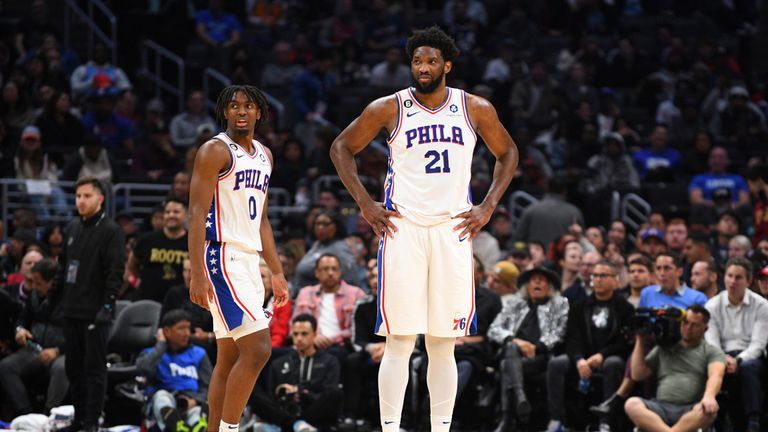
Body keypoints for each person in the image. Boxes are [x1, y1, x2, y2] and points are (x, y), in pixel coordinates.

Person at [330, 26, 518, 431]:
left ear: (447, 65)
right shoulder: (389, 107)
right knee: (399, 341)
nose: (423, 67)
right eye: (417, 61)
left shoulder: (474, 108)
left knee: (442, 344)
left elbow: (508, 153)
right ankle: (391, 427)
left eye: (432, 60)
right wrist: (365, 203)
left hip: (453, 231)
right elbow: (341, 147)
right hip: (404, 230)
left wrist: (488, 206)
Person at [188, 85, 288, 432]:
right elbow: (196, 212)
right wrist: (198, 273)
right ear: (225, 112)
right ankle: (231, 429)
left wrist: (276, 271)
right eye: (234, 106)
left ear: (260, 112)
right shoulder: (214, 151)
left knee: (230, 356)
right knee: (259, 349)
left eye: (248, 106)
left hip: (247, 261)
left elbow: (260, 219)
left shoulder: (265, 155)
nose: (241, 111)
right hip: (220, 255)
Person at [56, 177, 125, 432]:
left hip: (96, 313)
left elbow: (115, 273)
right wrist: (54, 304)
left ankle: (92, 421)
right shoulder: (72, 228)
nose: (81, 201)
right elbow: (62, 269)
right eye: (77, 196)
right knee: (73, 368)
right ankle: (79, 418)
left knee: (94, 370)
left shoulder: (111, 231)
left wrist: (107, 308)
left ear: (100, 199)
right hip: (71, 310)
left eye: (86, 196)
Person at [546, 261, 633, 432]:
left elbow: (624, 342)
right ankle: (557, 420)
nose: (598, 280)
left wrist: (602, 355)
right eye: (595, 276)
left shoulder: (625, 308)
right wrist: (579, 360)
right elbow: (572, 338)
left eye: (603, 276)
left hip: (609, 357)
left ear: (615, 280)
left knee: (613, 363)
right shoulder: (579, 306)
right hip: (582, 358)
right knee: (556, 364)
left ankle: (606, 422)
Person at [487, 267, 569, 430]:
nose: (537, 282)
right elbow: (493, 329)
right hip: (514, 352)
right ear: (527, 286)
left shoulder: (560, 303)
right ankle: (520, 396)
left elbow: (560, 331)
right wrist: (515, 340)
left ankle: (506, 418)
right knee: (510, 350)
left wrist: (537, 348)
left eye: (542, 280)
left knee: (506, 366)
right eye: (533, 279)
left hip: (539, 356)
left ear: (550, 286)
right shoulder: (515, 303)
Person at [624, 305, 726, 432]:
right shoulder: (665, 347)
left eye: (695, 325)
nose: (688, 328)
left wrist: (709, 396)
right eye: (686, 323)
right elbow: (638, 375)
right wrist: (640, 340)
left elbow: (716, 376)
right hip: (660, 406)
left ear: (705, 328)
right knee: (631, 404)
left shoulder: (711, 351)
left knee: (709, 411)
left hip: (690, 408)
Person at [704, 257, 768, 432]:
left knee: (748, 367)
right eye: (729, 276)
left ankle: (753, 421)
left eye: (738, 277)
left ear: (749, 281)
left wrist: (738, 360)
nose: (732, 281)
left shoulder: (762, 305)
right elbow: (711, 341)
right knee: (711, 366)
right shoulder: (712, 305)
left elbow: (758, 344)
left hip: (750, 358)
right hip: (721, 356)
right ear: (723, 277)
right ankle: (712, 422)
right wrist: (723, 359)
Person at [251, 314, 342, 432]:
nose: (299, 338)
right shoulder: (278, 363)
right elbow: (272, 397)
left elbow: (328, 393)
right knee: (252, 390)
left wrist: (301, 392)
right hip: (285, 412)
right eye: (295, 334)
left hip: (314, 411)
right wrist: (283, 391)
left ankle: (287, 426)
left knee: (336, 393)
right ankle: (296, 425)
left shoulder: (330, 361)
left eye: (304, 334)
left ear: (315, 334)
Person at [0, 258, 67, 417]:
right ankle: (26, 414)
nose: (35, 287)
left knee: (61, 368)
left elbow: (80, 335)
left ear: (52, 282)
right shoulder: (35, 295)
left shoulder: (71, 299)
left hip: (62, 351)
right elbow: (22, 318)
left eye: (39, 283)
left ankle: (49, 416)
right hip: (35, 348)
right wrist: (20, 329)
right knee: (6, 367)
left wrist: (57, 351)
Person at [138, 309, 212, 432]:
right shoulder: (152, 353)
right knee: (161, 397)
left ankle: (193, 427)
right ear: (166, 331)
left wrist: (195, 401)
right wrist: (161, 345)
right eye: (181, 328)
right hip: (164, 404)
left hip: (192, 402)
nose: (187, 333)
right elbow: (143, 370)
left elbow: (209, 386)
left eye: (188, 328)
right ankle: (175, 427)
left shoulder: (199, 353)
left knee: (197, 415)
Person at [129, 197, 189, 302]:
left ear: (186, 215)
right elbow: (131, 266)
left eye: (176, 212)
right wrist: (137, 282)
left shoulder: (192, 242)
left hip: (180, 302)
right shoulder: (147, 240)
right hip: (147, 299)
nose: (171, 215)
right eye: (167, 212)